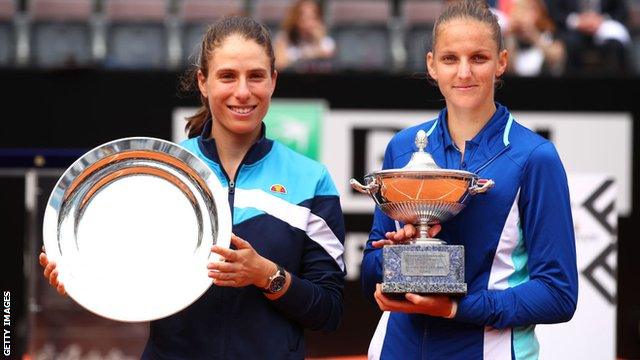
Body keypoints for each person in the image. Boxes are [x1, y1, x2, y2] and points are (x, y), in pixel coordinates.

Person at [39, 15, 346, 359]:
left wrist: (266, 274)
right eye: (227, 76)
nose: (243, 92)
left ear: (273, 81)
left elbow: (329, 311)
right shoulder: (163, 173)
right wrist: (82, 276)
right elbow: (127, 273)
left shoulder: (311, 179)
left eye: (256, 76)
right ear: (203, 82)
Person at [360, 1, 578, 359]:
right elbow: (370, 271)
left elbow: (558, 294)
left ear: (501, 62)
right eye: (450, 59)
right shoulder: (402, 149)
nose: (464, 72)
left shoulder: (535, 158)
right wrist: (396, 254)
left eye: (478, 58)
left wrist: (457, 308)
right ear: (431, 64)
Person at [544, 0, 630, 74]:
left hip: (604, 27)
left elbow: (621, 11)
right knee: (571, 44)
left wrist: (602, 20)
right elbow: (553, 12)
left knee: (615, 46)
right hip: (572, 29)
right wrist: (576, 21)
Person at [504, 0, 566, 76]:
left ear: (538, 12)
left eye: (524, 9)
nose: (519, 14)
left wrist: (533, 34)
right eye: (516, 9)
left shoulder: (550, 35)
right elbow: (510, 70)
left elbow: (557, 59)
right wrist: (510, 36)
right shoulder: (509, 38)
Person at [274, 0, 335, 72]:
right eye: (304, 17)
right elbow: (279, 64)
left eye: (313, 18)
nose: (308, 22)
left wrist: (318, 40)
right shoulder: (284, 38)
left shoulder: (325, 41)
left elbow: (327, 59)